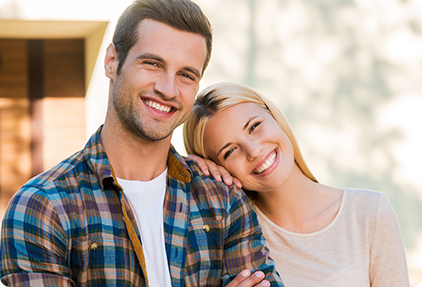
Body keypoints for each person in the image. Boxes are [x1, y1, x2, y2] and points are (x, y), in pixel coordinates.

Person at [0, 1, 284, 286]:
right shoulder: (42, 206)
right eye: (152, 63)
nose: (167, 89)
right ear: (112, 61)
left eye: (186, 74)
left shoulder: (222, 200)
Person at [183, 82, 410, 287]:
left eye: (254, 126)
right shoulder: (230, 235)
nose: (253, 151)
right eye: (230, 151)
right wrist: (193, 173)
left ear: (275, 117)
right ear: (218, 167)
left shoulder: (370, 213)